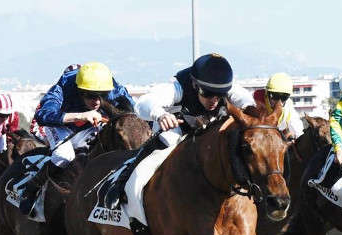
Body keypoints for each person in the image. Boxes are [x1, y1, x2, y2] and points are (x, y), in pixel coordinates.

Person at [103, 53, 254, 208]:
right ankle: (120, 184)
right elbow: (142, 104)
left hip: (210, 134)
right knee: (168, 139)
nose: (214, 100)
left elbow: (249, 103)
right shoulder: (178, 88)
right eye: (207, 94)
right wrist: (161, 115)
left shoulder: (226, 87)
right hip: (178, 131)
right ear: (195, 85)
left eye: (219, 95)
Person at [19, 62, 135, 214]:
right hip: (59, 124)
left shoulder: (112, 86)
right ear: (80, 90)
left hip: (89, 123)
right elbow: (43, 115)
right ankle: (32, 187)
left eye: (102, 95)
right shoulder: (64, 87)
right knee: (64, 156)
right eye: (91, 96)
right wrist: (81, 116)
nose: (97, 101)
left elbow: (133, 112)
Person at [252, 72, 303, 140]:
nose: (279, 102)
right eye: (275, 96)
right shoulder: (256, 100)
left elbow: (298, 130)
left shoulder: (289, 106)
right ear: (267, 93)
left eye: (284, 97)